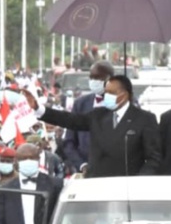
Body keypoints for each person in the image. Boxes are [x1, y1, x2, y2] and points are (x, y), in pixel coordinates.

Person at [25, 75, 161, 178]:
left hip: (128, 186)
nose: (105, 96)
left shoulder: (145, 119)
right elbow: (70, 120)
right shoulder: (98, 115)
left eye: (110, 93)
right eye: (105, 92)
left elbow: (154, 158)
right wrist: (39, 109)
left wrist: (140, 180)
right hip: (96, 185)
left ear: (124, 96)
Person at [0, 143, 63, 224]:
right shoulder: (7, 189)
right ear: (16, 161)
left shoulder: (54, 185)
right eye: (23, 158)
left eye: (32, 158)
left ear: (38, 159)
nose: (28, 161)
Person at [60, 60, 113, 174]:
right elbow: (69, 142)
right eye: (91, 77)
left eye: (98, 78)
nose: (94, 81)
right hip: (86, 171)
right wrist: (82, 165)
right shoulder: (80, 104)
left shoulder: (124, 103)